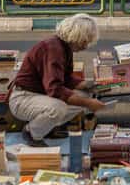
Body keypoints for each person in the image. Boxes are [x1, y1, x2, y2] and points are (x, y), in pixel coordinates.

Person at [8, 13, 106, 146]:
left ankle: (47, 128)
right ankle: (31, 133)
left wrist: (86, 85)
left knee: (84, 95)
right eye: (86, 40)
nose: (86, 45)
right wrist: (88, 103)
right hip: (23, 98)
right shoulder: (53, 49)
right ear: (77, 36)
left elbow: (65, 79)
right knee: (59, 107)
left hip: (39, 94)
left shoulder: (63, 47)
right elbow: (55, 89)